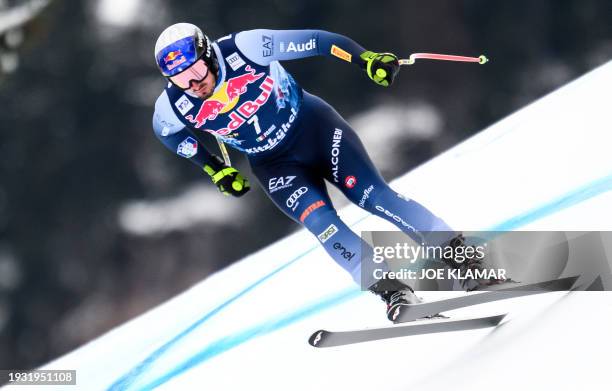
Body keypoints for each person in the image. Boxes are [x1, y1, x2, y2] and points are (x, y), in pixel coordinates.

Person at [152, 23, 488, 321]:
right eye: (179, 78)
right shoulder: (172, 105)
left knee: (371, 196)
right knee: (322, 226)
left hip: (315, 130)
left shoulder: (246, 49)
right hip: (274, 166)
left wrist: (364, 59)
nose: (192, 84)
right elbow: (167, 134)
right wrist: (214, 169)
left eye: (195, 71)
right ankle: (393, 291)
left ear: (209, 56)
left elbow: (318, 41)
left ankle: (460, 255)